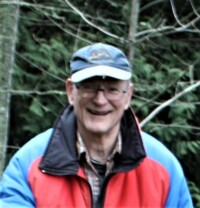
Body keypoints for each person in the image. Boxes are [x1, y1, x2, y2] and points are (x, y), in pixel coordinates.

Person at [0, 43, 193, 208]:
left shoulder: (163, 168)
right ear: (70, 91)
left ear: (128, 95)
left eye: (112, 89)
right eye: (89, 87)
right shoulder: (28, 166)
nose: (100, 100)